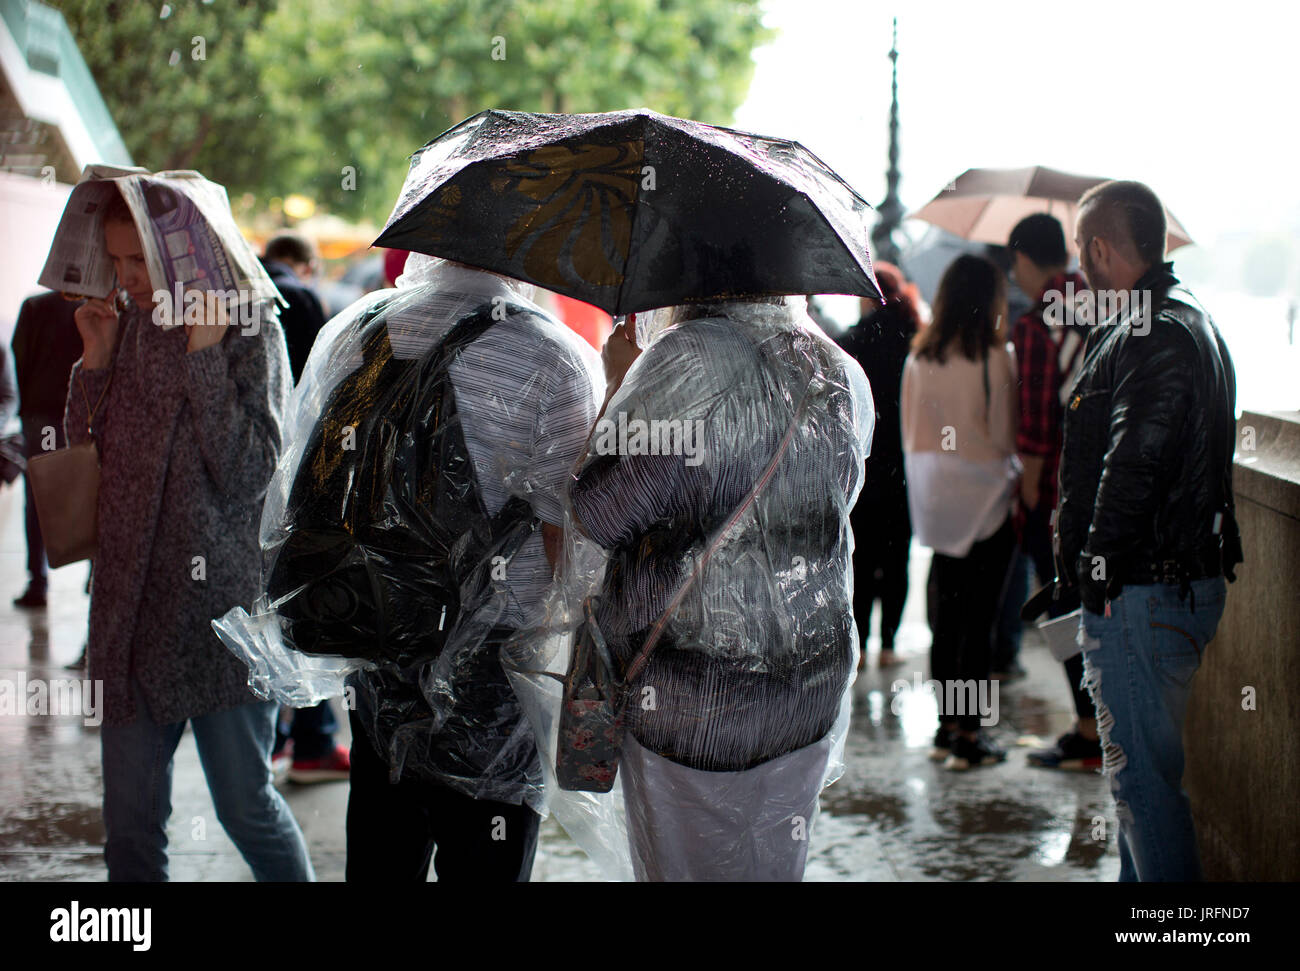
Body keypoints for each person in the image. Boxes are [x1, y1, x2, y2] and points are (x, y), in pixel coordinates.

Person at [567, 295, 873, 881]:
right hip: (810, 686)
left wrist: (616, 384)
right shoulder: (835, 369)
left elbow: (599, 513)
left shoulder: (688, 360)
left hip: (694, 695)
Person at [64, 188, 313, 881]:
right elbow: (87, 450)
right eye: (115, 261)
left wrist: (205, 357)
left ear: (185, 249)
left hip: (220, 615)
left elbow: (248, 474)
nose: (127, 279)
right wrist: (96, 361)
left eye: (138, 260)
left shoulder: (249, 323)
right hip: (128, 611)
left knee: (245, 807)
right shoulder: (127, 321)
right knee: (131, 830)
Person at [330, 255, 601, 882]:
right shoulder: (553, 355)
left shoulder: (363, 333)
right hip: (498, 660)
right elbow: (568, 532)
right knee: (487, 857)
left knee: (380, 853)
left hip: (379, 633)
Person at [1058, 180, 1240, 881]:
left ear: (1101, 248)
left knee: (1142, 789)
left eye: (1082, 250)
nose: (1080, 268)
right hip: (1169, 585)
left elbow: (1133, 463)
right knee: (1144, 784)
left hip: (1139, 593)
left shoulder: (1152, 329)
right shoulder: (1184, 317)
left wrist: (1093, 571)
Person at [902, 254, 1018, 771]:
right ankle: (971, 736)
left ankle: (945, 729)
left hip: (935, 502)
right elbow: (1003, 437)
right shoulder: (997, 358)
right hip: (986, 501)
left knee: (944, 618)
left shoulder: (920, 356)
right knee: (980, 621)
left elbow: (909, 433)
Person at [1002, 214, 1101, 770]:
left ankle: (1087, 732)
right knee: (1092, 611)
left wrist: (1030, 498)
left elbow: (1038, 428)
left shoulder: (1038, 323)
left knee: (1062, 613)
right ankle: (1099, 726)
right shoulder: (1101, 305)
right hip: (1105, 490)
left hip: (1059, 499)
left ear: (1022, 257)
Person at [257, 233, 350, 785]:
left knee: (276, 602)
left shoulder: (240, 293)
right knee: (306, 603)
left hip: (252, 479)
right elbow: (325, 396)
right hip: (296, 470)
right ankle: (311, 743)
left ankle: (270, 741)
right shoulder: (304, 300)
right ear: (307, 265)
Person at [837, 263, 920, 668]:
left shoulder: (849, 343)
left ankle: (862, 641)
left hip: (862, 463)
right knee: (896, 555)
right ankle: (889, 645)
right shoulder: (915, 340)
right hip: (903, 466)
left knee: (862, 555)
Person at [9, 290, 85, 609]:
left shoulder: (34, 307)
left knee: (38, 499)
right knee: (90, 496)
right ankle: (94, 578)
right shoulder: (91, 308)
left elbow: (19, 356)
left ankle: (37, 583)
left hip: (42, 417)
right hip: (79, 415)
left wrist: (27, 406)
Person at [261, 233, 327, 381]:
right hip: (292, 393)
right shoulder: (301, 295)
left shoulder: (245, 289)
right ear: (308, 268)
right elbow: (319, 358)